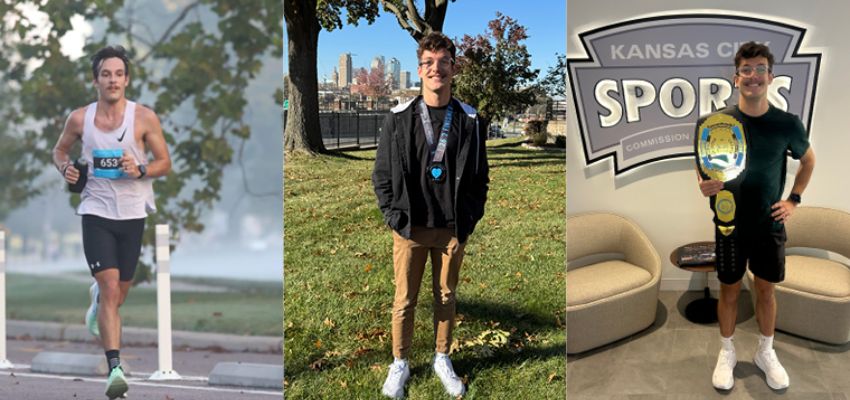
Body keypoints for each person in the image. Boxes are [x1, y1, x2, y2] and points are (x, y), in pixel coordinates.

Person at [372, 32, 489, 399]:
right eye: (428, 63)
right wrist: (394, 216)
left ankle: (441, 357)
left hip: (451, 229)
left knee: (446, 296)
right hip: (410, 227)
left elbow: (480, 179)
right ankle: (400, 362)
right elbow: (382, 176)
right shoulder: (399, 119)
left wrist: (467, 221)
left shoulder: (470, 120)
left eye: (443, 62)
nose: (436, 69)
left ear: (453, 67)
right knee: (404, 298)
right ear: (419, 70)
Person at [52, 46, 171, 399]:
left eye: (119, 74)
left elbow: (165, 162)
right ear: (96, 80)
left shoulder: (144, 118)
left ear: (127, 79)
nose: (113, 80)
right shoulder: (79, 119)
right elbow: (59, 151)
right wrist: (66, 167)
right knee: (108, 287)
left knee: (118, 293)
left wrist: (143, 169)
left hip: (133, 213)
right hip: (96, 210)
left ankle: (97, 305)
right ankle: (114, 368)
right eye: (106, 74)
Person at [696, 42, 815, 391]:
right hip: (729, 225)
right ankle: (727, 351)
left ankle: (766, 351)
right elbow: (702, 166)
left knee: (765, 290)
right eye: (746, 70)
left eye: (760, 69)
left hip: (769, 225)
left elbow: (808, 161)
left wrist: (793, 199)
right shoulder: (716, 123)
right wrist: (703, 185)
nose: (753, 76)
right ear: (736, 79)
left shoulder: (787, 124)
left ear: (770, 76)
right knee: (729, 291)